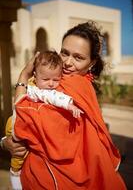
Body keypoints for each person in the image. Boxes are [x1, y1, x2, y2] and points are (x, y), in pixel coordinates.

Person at [1, 21, 127, 190]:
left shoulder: (73, 86)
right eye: (64, 53)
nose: (67, 62)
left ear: (92, 63)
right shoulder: (57, 79)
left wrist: (23, 75)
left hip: (55, 178)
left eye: (78, 57)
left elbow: (26, 121)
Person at [9, 50, 83, 190]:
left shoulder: (41, 89)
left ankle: (15, 173)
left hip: (19, 124)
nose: (51, 84)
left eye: (56, 80)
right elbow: (50, 97)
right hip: (14, 123)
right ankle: (14, 173)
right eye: (46, 79)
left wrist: (69, 104)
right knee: (17, 152)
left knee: (19, 152)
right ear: (36, 76)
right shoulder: (35, 87)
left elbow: (53, 96)